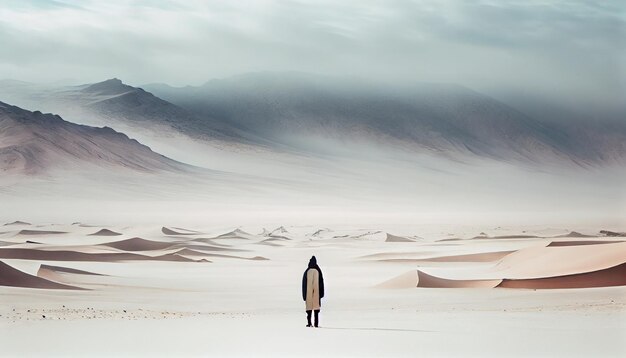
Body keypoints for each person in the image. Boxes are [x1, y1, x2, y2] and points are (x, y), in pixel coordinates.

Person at [302, 255, 324, 327]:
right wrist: (321, 294)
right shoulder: (318, 271)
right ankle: (316, 324)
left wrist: (304, 296)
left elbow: (304, 284)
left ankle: (309, 323)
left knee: (309, 308)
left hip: (308, 293)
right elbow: (321, 283)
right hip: (317, 293)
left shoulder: (307, 271)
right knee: (316, 309)